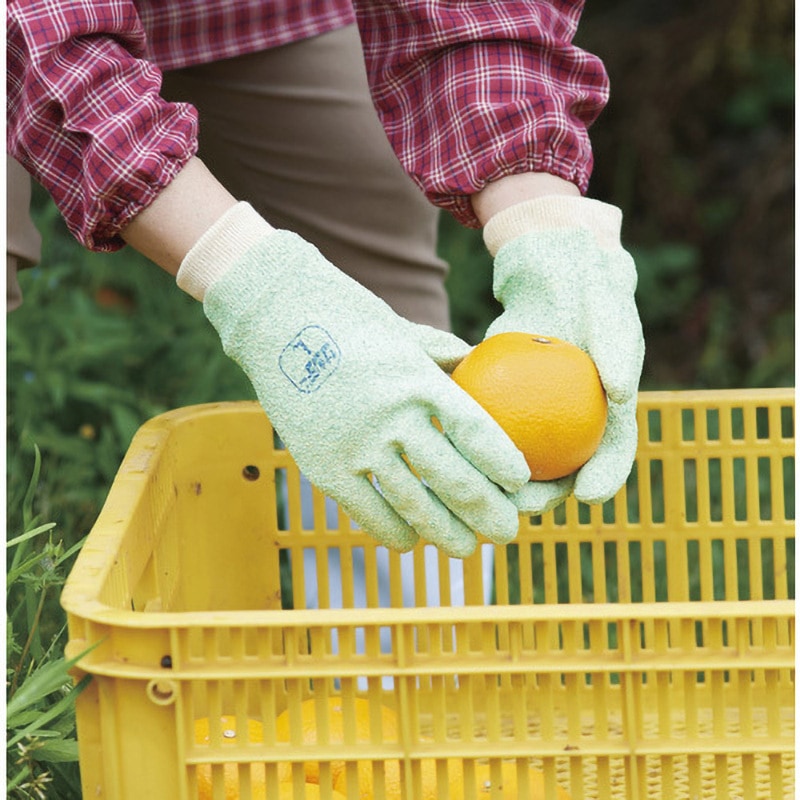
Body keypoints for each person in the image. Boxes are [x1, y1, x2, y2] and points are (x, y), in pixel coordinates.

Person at [7, 1, 644, 560]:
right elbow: (40, 38)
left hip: (257, 12)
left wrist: (541, 224)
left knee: (384, 293)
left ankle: (396, 682)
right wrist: (259, 289)